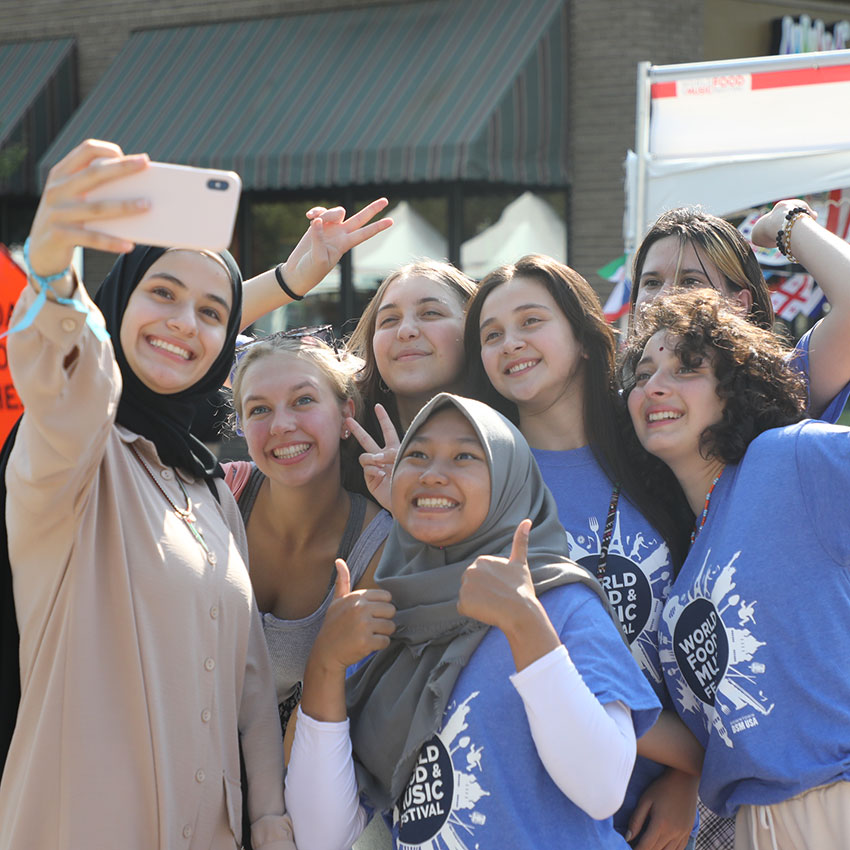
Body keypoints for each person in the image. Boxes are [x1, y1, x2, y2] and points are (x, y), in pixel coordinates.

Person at [0, 140, 295, 849]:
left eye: (210, 312)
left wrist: (270, 824)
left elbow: (250, 686)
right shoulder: (73, 457)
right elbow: (68, 380)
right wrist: (51, 267)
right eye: (161, 294)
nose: (183, 324)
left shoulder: (208, 490)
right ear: (119, 302)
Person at [284, 393, 662, 850]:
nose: (432, 474)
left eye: (465, 455)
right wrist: (325, 664)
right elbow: (322, 838)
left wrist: (525, 625)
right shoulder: (382, 622)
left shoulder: (559, 603)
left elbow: (602, 789)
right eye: (417, 454)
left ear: (509, 480)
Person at [462, 254, 702, 850]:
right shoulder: (480, 487)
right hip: (542, 812)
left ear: (587, 340)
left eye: (530, 320)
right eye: (492, 335)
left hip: (665, 817)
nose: (510, 342)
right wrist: (696, 762)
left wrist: (690, 784)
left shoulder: (660, 454)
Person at [622, 289, 850, 850]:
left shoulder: (790, 457)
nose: (655, 386)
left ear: (736, 386)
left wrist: (793, 227)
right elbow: (714, 745)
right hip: (754, 826)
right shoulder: (684, 574)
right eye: (644, 371)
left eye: (687, 368)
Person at [223, 332, 392, 735]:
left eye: (303, 400)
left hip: (292, 774)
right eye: (259, 409)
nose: (282, 425)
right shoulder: (216, 497)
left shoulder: (377, 545)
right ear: (242, 427)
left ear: (346, 416)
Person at [629, 201, 850, 422]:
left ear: (739, 304)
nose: (663, 298)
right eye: (651, 283)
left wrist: (787, 220)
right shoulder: (614, 408)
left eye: (689, 282)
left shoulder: (780, 383)